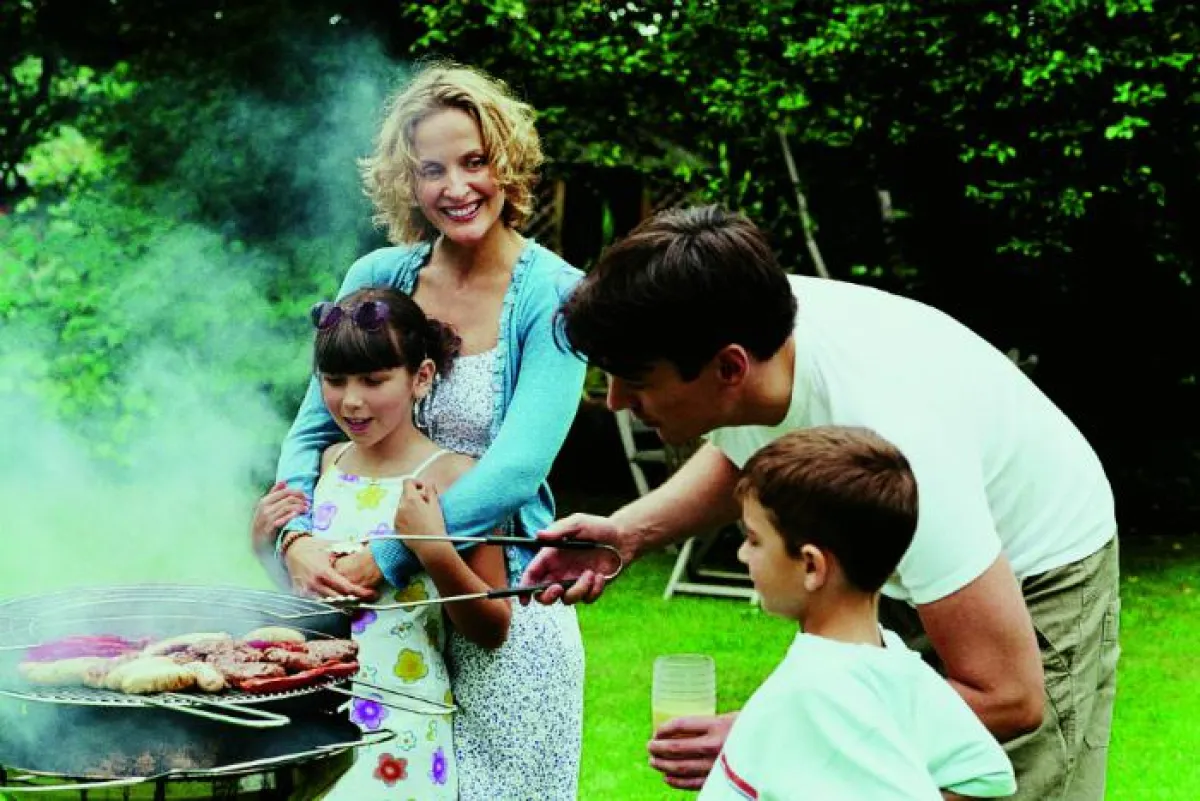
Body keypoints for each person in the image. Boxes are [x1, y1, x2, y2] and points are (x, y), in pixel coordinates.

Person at [525, 205, 1120, 801]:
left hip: (1030, 573)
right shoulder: (745, 337)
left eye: (636, 379)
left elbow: (1009, 696)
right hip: (893, 564)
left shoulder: (903, 434)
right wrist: (626, 533)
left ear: (730, 366)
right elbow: (742, 448)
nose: (615, 402)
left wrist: (775, 736)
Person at [253, 63, 587, 800]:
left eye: (474, 161)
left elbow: (516, 469)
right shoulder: (378, 275)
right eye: (431, 169)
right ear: (407, 181)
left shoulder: (556, 295)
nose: (456, 186)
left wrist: (389, 555)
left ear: (507, 161)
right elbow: (310, 428)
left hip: (501, 613)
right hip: (378, 626)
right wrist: (295, 535)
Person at [696, 425, 1015, 800]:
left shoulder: (817, 690)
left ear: (812, 566)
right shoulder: (893, 660)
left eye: (754, 540)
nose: (742, 554)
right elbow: (979, 773)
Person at [288, 287, 514, 799]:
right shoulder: (325, 466)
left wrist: (431, 548)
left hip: (404, 727)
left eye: (373, 380)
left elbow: (493, 627)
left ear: (422, 377)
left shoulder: (456, 478)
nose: (351, 399)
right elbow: (301, 601)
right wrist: (271, 542)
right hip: (314, 716)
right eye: (334, 380)